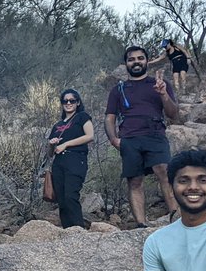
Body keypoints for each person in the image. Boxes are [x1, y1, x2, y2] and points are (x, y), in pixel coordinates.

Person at [105, 46, 180, 228]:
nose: (136, 62)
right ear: (126, 64)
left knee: (164, 171)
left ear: (147, 61)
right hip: (129, 138)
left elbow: (173, 113)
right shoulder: (118, 89)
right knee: (135, 180)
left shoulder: (160, 84)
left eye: (140, 58)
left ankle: (176, 218)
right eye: (132, 59)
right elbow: (109, 117)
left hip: (155, 134)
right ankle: (141, 224)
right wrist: (114, 140)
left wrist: (163, 94)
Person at [47, 89, 94, 229]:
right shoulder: (57, 125)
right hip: (59, 163)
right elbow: (50, 153)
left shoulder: (82, 117)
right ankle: (67, 230)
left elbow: (90, 136)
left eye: (72, 100)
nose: (68, 103)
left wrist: (66, 144)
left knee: (70, 196)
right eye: (65, 101)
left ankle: (78, 230)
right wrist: (51, 144)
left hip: (75, 159)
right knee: (61, 199)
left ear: (77, 102)